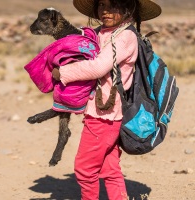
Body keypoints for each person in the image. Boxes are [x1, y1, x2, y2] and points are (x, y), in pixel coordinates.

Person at [52, 0, 161, 199]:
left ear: (128, 8)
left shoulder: (125, 35)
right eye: (101, 4)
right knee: (109, 169)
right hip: (104, 113)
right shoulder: (103, 32)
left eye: (113, 5)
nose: (105, 11)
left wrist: (63, 72)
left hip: (104, 115)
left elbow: (99, 67)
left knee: (85, 169)